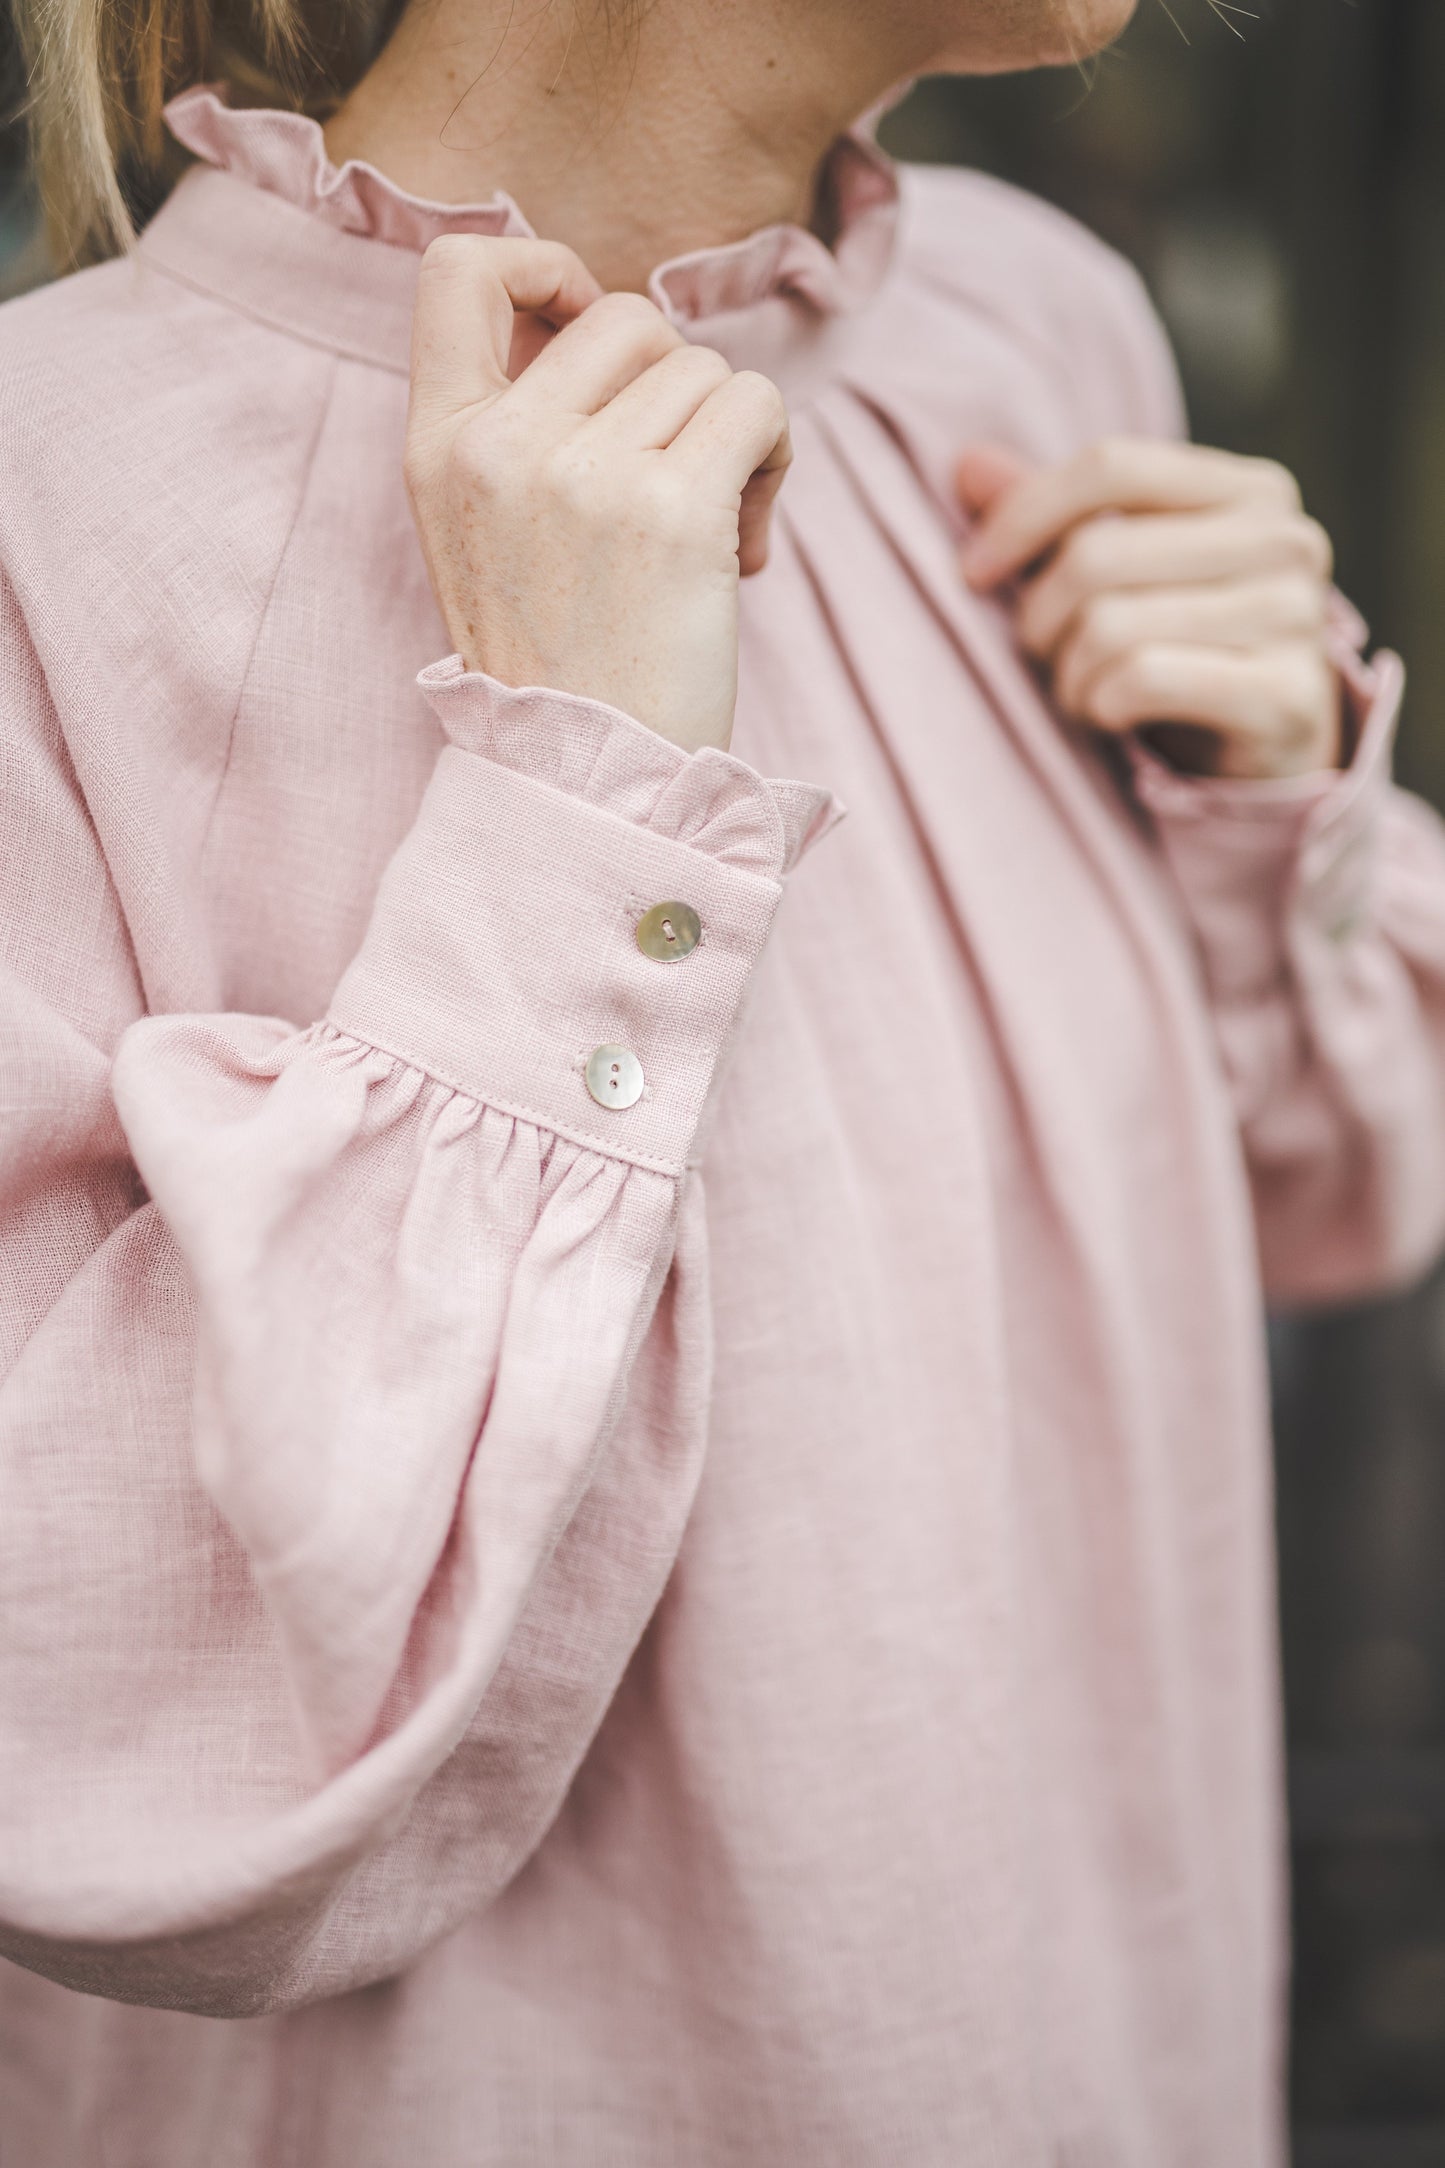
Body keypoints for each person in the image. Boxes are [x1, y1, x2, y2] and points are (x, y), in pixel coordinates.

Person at [2, 0, 1444, 2158]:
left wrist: (1270, 822)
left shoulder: (1030, 337)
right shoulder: (47, 511)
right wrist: (571, 839)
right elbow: (99, 1739)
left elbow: (1318, 1200)